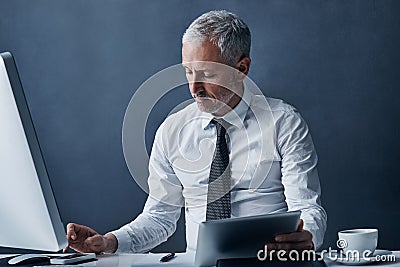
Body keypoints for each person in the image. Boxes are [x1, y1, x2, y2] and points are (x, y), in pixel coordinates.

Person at [64, 10, 327, 255]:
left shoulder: (284, 123)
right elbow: (159, 218)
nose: (194, 87)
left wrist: (308, 235)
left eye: (207, 74)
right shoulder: (172, 131)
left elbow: (307, 207)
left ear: (241, 69)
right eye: (188, 72)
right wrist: (109, 242)